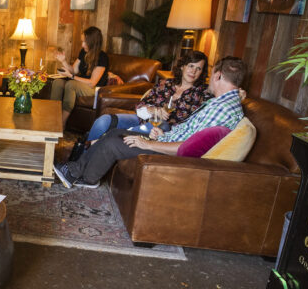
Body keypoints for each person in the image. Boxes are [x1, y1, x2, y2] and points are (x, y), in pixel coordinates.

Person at [54, 56, 248, 189]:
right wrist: (162, 134)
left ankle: (83, 176)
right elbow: (190, 132)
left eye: (204, 70)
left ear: (218, 76)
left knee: (114, 142)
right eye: (191, 66)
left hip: (171, 152)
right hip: (165, 136)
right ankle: (77, 171)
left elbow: (189, 148)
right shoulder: (223, 102)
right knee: (115, 133)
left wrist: (149, 143)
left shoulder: (220, 107)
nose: (200, 74)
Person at [86, 51, 210, 142]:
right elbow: (140, 106)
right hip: (143, 120)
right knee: (103, 121)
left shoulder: (201, 94)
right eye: (191, 66)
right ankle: (83, 154)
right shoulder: (165, 84)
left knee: (161, 124)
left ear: (202, 72)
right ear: (183, 66)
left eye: (198, 68)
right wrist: (154, 110)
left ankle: (110, 138)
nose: (193, 71)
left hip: (163, 130)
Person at [48, 26, 121, 125]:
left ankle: (61, 124)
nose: (82, 45)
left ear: (92, 42)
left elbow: (92, 83)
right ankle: (51, 119)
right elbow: (74, 70)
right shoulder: (83, 52)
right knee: (58, 83)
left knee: (71, 84)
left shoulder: (102, 57)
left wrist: (71, 77)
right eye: (82, 41)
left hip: (94, 88)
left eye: (84, 42)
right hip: (80, 83)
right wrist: (64, 61)